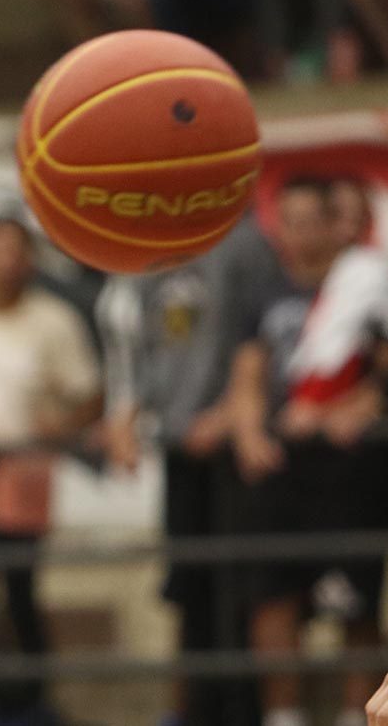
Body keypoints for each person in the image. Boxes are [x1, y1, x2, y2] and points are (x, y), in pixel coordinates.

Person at [229, 176, 388, 726]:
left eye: (313, 221)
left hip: (350, 472)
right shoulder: (267, 291)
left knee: (353, 602)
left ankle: (360, 717)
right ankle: (285, 717)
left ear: (338, 224)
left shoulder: (367, 283)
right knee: (274, 596)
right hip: (284, 470)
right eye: (291, 221)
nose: (301, 234)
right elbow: (248, 370)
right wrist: (249, 430)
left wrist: (349, 408)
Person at [98, 215, 282, 726]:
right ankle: (193, 711)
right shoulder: (152, 246)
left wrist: (231, 413)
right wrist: (131, 411)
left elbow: (265, 336)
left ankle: (243, 713)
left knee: (239, 595)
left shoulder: (247, 244)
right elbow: (138, 339)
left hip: (234, 447)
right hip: (179, 443)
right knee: (186, 590)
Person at [0, 219, 102, 726]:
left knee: (18, 592)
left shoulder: (55, 321)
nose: (7, 260)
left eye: (17, 250)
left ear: (31, 261)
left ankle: (30, 704)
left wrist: (62, 424)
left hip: (24, 473)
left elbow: (89, 397)